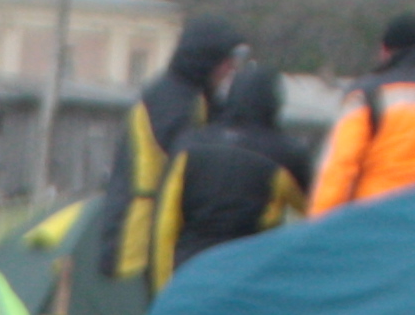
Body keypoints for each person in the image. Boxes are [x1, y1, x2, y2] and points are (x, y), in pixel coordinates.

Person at [109, 18, 251, 287]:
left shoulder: (188, 94)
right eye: (226, 60)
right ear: (206, 60)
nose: (231, 68)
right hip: (144, 229)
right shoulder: (176, 102)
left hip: (158, 221)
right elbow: (190, 167)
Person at [305, 13, 415, 214]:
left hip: (381, 219)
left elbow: (340, 166)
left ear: (384, 51)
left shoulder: (368, 95)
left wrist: (320, 223)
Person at [157, 64, 305, 278]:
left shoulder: (189, 145)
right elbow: (320, 210)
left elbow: (165, 224)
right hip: (248, 275)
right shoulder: (285, 153)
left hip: (190, 272)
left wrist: (164, 288)